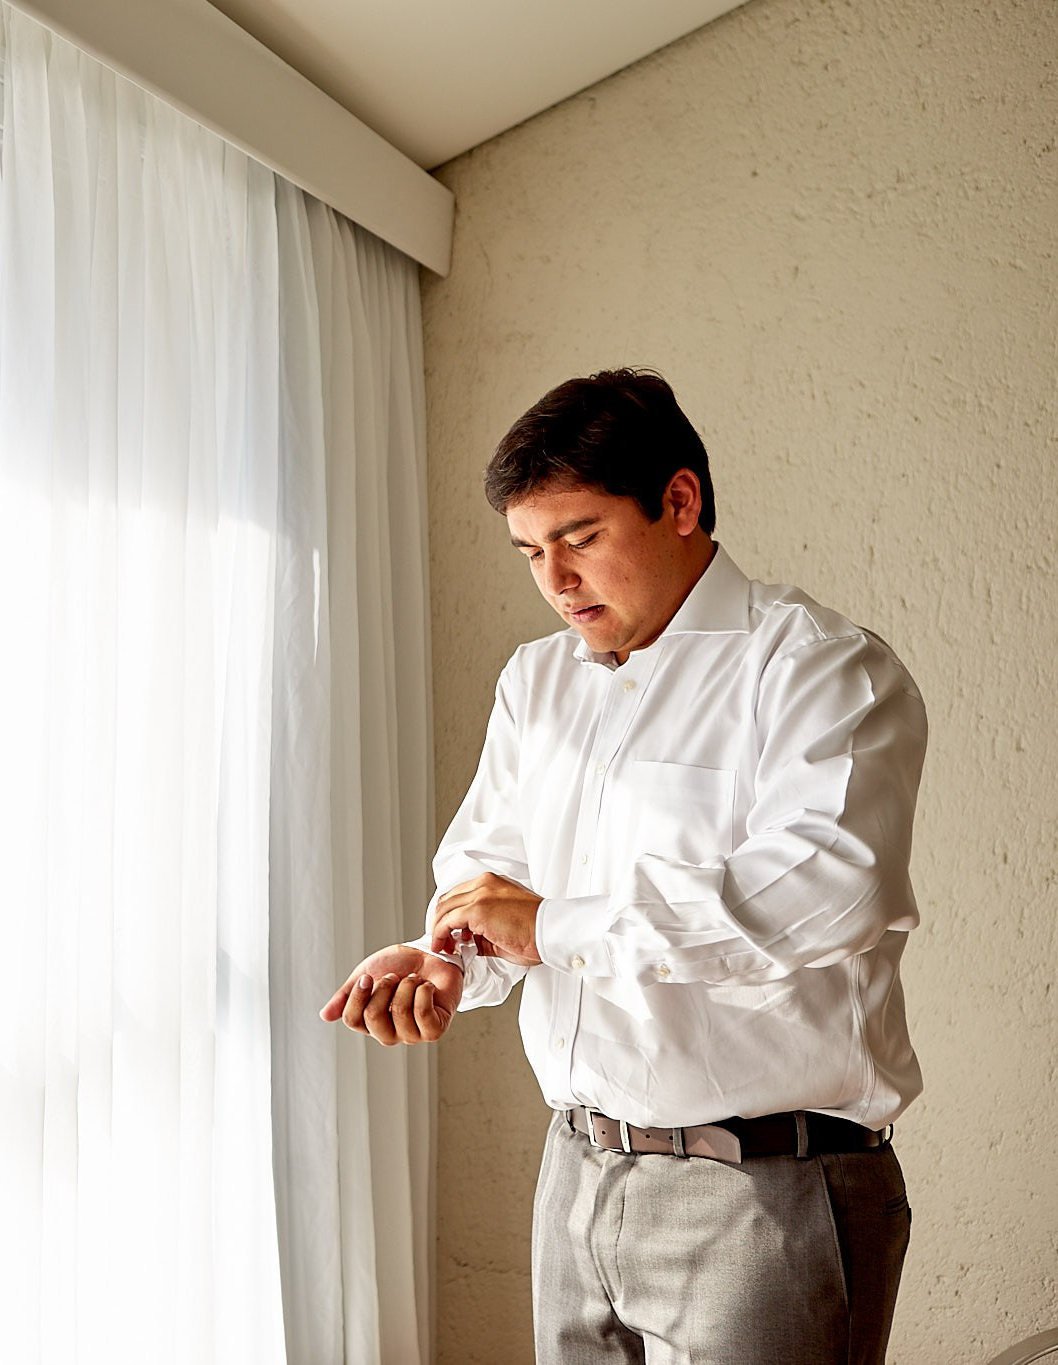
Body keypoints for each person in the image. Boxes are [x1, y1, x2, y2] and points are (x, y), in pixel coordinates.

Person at [320, 368, 924, 1364]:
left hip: (763, 1191)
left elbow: (825, 891)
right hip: (576, 1172)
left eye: (580, 537)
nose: (555, 580)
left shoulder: (817, 668)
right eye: (530, 551)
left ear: (679, 501)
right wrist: (448, 957)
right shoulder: (535, 682)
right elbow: (490, 871)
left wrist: (548, 926)